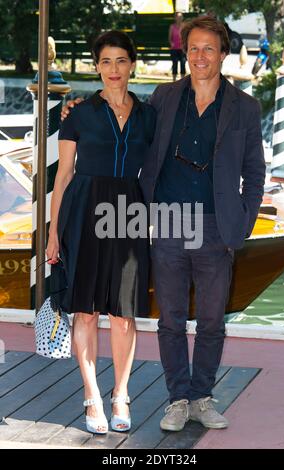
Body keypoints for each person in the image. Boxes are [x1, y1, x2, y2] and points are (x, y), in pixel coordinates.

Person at [61, 16, 266, 433]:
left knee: (211, 320)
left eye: (209, 48)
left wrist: (243, 223)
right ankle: (177, 399)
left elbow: (255, 171)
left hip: (215, 224)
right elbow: (120, 116)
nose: (200, 56)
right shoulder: (164, 97)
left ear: (223, 54)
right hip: (167, 220)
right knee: (170, 319)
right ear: (185, 52)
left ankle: (202, 396)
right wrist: (76, 107)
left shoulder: (245, 107)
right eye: (193, 48)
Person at [47, 30, 156, 435]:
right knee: (86, 310)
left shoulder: (149, 116)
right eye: (105, 62)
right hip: (83, 210)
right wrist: (53, 233)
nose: (113, 69)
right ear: (97, 66)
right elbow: (63, 177)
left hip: (128, 213)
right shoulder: (78, 113)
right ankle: (92, 395)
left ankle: (121, 394)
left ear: (131, 65)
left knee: (125, 314)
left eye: (120, 61)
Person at [169, 12, 186, 81]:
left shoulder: (184, 26)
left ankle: (182, 81)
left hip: (182, 49)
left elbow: (187, 36)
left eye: (180, 17)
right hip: (174, 48)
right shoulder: (172, 27)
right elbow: (170, 38)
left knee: (182, 63)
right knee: (175, 63)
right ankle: (174, 81)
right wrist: (171, 43)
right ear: (175, 18)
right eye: (178, 17)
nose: (179, 18)